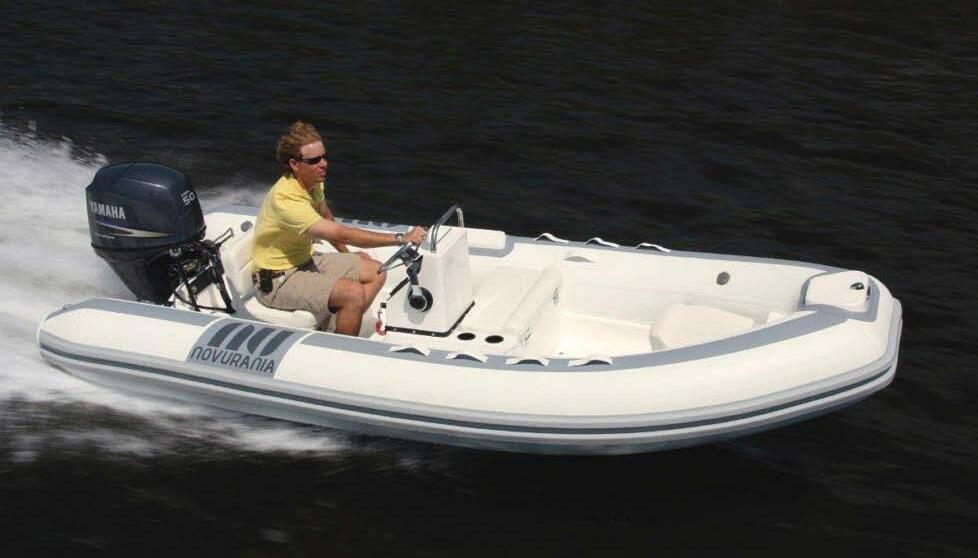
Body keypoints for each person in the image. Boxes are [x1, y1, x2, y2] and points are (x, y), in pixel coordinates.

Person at [252, 120, 426, 335]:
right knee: (352, 293)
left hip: (305, 260)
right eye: (314, 160)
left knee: (377, 271)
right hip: (278, 280)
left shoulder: (314, 183)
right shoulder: (286, 201)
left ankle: (337, 329)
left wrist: (347, 255)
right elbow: (342, 234)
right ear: (295, 165)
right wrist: (401, 238)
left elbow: (327, 216)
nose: (323, 164)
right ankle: (343, 344)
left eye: (324, 157)